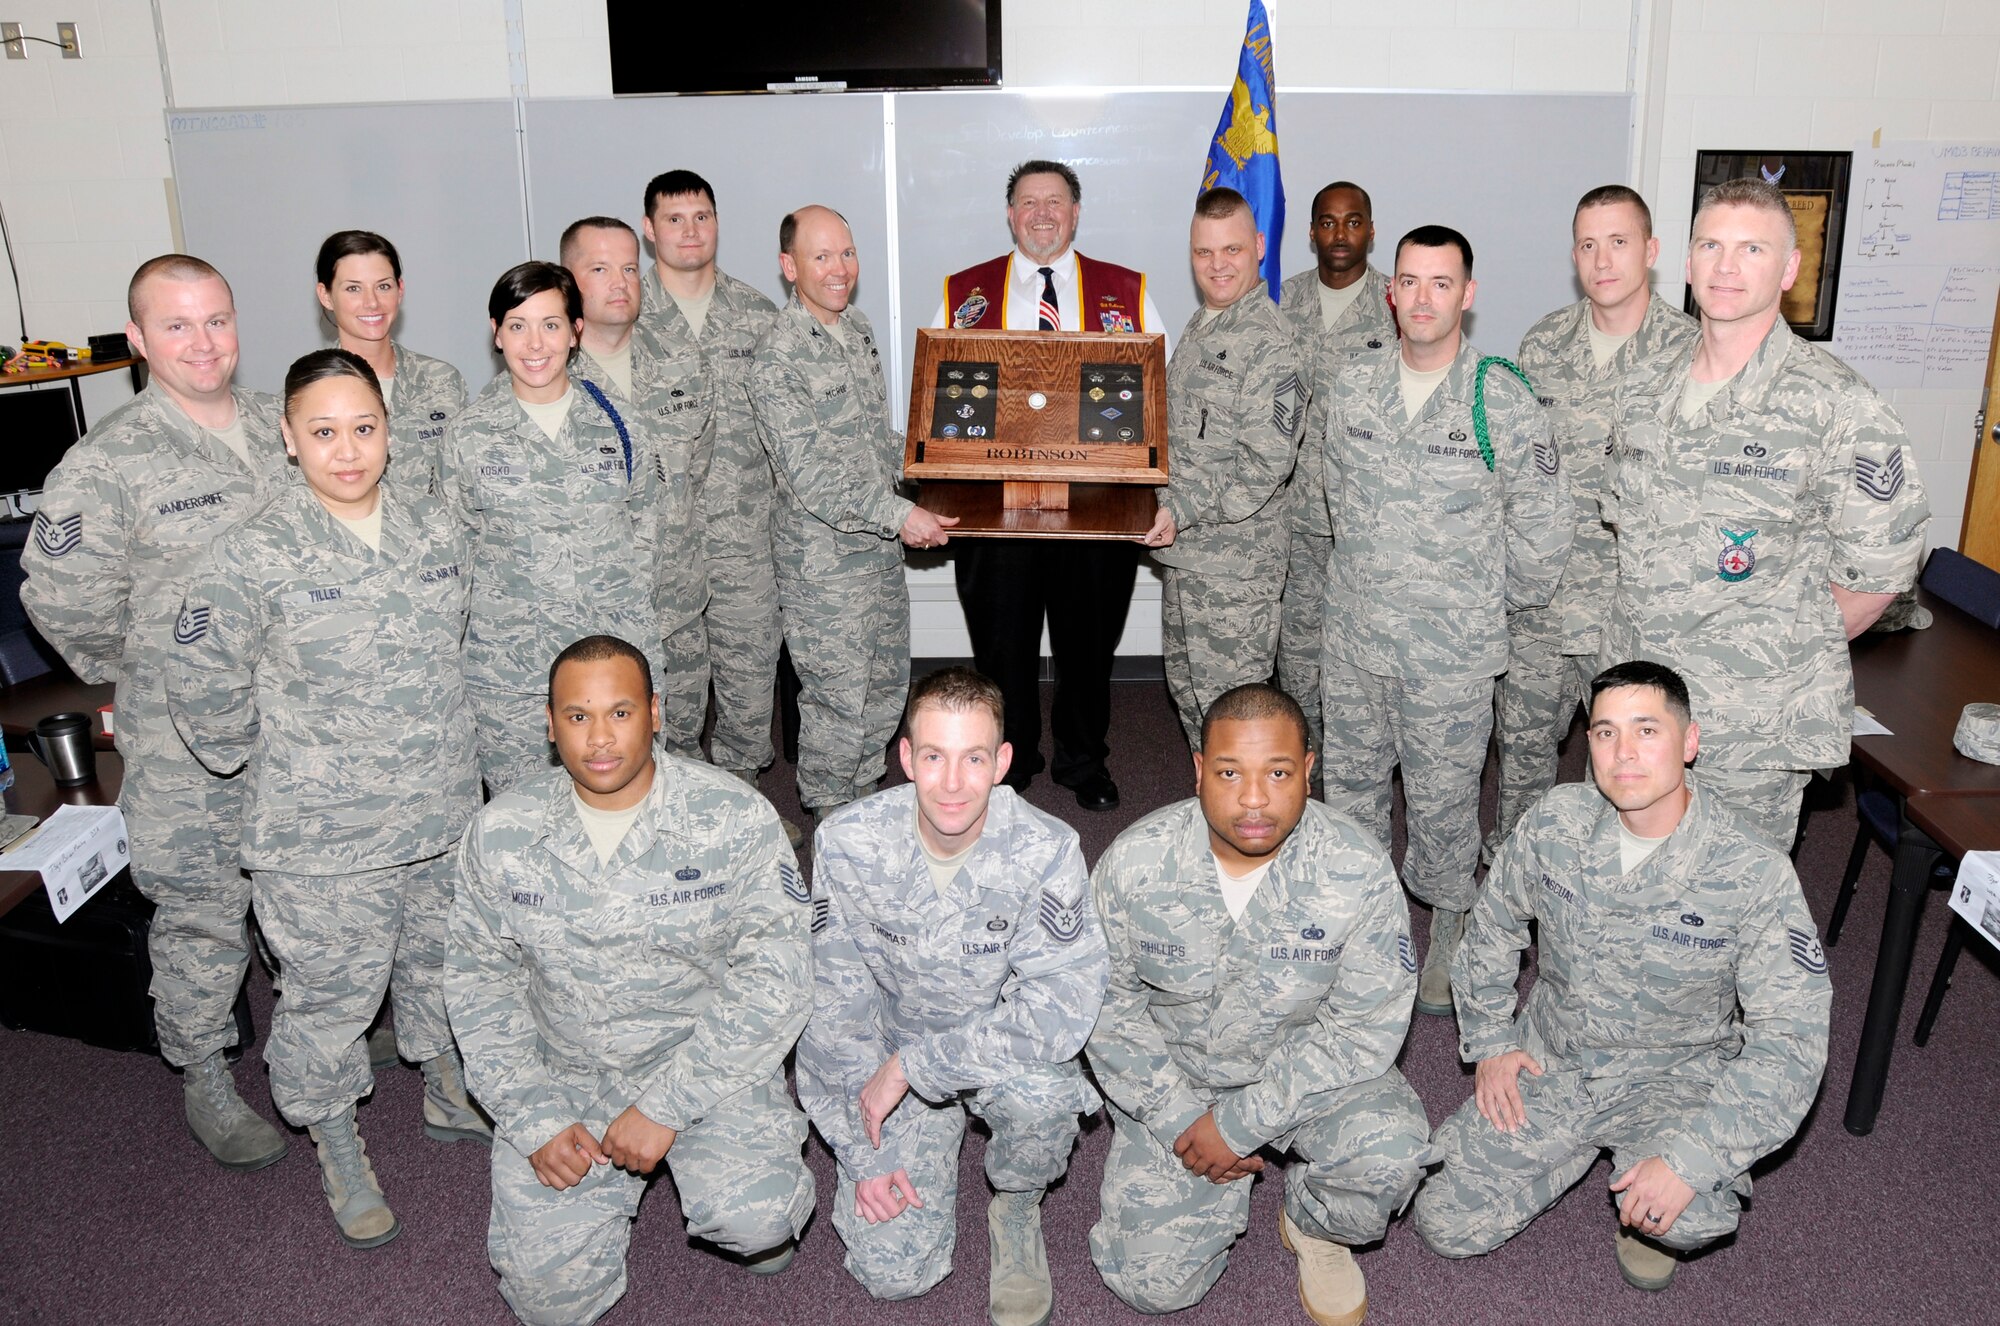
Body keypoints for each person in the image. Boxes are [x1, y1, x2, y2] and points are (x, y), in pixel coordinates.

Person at [166, 349, 487, 1249]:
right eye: (323, 431)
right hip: (322, 839)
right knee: (331, 998)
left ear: (388, 428)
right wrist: (277, 767)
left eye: (364, 428)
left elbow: (463, 650)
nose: (347, 451)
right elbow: (200, 683)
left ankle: (446, 1086)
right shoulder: (252, 554)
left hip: (438, 810)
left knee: (438, 965)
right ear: (288, 436)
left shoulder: (436, 529)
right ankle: (336, 1139)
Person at [1413, 661, 1832, 1292]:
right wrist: (1493, 1039)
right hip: (1554, 1059)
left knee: (1696, 1214)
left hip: (1671, 1080)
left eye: (1647, 730)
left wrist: (1690, 1161)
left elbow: (1793, 1039)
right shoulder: (1557, 822)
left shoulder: (1754, 871)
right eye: (1605, 733)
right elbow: (1492, 926)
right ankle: (1580, 1155)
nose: (1624, 753)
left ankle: (1641, 1189)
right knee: (1441, 1221)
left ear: (1689, 743)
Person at [447, 635, 814, 1326]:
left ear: (655, 713)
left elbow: (778, 978)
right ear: (550, 726)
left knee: (760, 1216)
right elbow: (477, 988)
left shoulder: (731, 817)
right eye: (577, 717)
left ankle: (721, 1183)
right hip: (568, 1077)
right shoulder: (502, 834)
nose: (599, 737)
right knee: (549, 1302)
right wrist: (533, 1118)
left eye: (619, 712)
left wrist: (667, 1106)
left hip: (703, 1064)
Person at [21, 254, 291, 1172]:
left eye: (216, 319)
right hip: (183, 741)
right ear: (136, 340)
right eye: (176, 325)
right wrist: (144, 672)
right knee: (204, 907)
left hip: (298, 716)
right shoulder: (106, 464)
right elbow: (60, 599)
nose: (203, 342)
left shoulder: (278, 423)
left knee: (301, 883)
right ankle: (204, 1075)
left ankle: (313, 1033)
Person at [1602, 177, 1930, 853]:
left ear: (1788, 270)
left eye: (1752, 249)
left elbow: (1877, 575)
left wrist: (1767, 653)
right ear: (1686, 264)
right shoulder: (1642, 384)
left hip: (1744, 726)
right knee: (1617, 888)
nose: (1726, 267)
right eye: (1711, 246)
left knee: (1716, 921)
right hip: (1634, 708)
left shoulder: (1838, 406)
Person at [1087, 683, 1427, 1326]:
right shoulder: (1135, 863)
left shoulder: (1355, 867)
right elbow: (1106, 1009)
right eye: (1228, 772)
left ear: (1308, 769)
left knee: (1388, 1151)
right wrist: (1181, 1117)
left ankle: (1314, 1225)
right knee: (1153, 1286)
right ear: (1197, 770)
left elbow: (1363, 1028)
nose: (1252, 799)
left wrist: (1240, 1124)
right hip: (1178, 1079)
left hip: (1302, 1074)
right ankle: (1208, 1182)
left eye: (1277, 772)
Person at [797, 666, 1108, 1326]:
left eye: (973, 759)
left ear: (1002, 762)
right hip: (884, 1059)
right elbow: (833, 1006)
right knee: (894, 1274)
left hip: (987, 1054)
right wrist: (862, 1151)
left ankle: (1017, 1202)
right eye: (933, 756)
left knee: (1047, 1098)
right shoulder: (848, 844)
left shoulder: (1047, 851)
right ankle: (923, 1135)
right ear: (906, 757)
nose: (952, 783)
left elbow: (1059, 1011)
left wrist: (918, 1067)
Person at [1317, 225, 1571, 1019]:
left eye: (1440, 283)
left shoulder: (1500, 396)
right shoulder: (1354, 386)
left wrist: (1489, 603)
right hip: (1356, 637)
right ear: (1390, 293)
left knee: (1444, 799)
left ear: (1468, 294)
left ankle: (1448, 922)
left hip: (1450, 652)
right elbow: (1336, 495)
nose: (1422, 299)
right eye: (1409, 282)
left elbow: (1544, 521)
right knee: (1352, 793)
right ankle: (1361, 926)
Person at [930, 159, 1167, 811]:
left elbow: (1156, 397)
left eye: (1054, 202)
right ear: (1010, 214)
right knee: (1001, 650)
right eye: (1027, 202)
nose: (1041, 213)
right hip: (994, 508)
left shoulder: (1127, 290)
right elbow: (941, 402)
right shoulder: (962, 292)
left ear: (1076, 212)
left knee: (1087, 648)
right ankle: (1011, 760)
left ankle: (1083, 761)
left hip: (1096, 510)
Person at [1488, 187, 1697, 863]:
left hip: (1628, 611)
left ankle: (1603, 903)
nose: (1601, 259)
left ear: (1651, 251)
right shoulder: (1542, 343)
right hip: (1543, 605)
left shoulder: (1691, 354)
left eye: (1618, 241)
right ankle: (1512, 885)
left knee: (1622, 779)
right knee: (1520, 761)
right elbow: (1518, 472)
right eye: (1586, 244)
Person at [748, 205, 954, 820]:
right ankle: (835, 821)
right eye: (821, 256)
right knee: (838, 701)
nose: (839, 269)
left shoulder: (856, 328)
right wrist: (900, 516)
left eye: (847, 253)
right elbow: (814, 477)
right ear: (789, 267)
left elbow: (873, 442)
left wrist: (935, 464)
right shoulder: (778, 356)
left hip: (877, 556)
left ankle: (863, 805)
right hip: (825, 569)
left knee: (885, 692)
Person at [437, 261, 667, 793]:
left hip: (614, 660)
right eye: (517, 325)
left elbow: (648, 529)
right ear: (496, 333)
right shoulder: (468, 436)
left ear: (576, 331)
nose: (535, 343)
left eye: (551, 324)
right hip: (512, 671)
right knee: (526, 819)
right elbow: (454, 553)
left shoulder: (621, 424)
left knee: (629, 807)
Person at [638, 171, 787, 804]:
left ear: (717, 223)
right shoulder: (622, 319)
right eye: (674, 219)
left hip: (744, 537)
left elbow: (787, 427)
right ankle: (678, 808)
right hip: (661, 544)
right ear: (649, 230)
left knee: (750, 681)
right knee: (669, 688)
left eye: (701, 216)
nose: (689, 231)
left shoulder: (757, 315)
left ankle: (744, 809)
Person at [1147, 187, 1306, 749]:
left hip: (1235, 566)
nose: (1217, 265)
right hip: (1188, 554)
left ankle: (1250, 831)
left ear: (1259, 246)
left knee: (1235, 720)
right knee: (1193, 701)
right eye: (1203, 252)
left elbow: (1263, 465)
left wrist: (1179, 510)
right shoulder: (1205, 325)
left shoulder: (1270, 342)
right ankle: (1211, 817)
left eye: (1231, 250)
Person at [561, 215, 712, 760]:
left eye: (629, 267)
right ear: (567, 279)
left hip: (678, 597)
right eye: (599, 268)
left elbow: (698, 464)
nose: (620, 282)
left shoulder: (679, 361)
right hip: (598, 611)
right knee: (608, 751)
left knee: (685, 736)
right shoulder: (549, 377)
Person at [1276, 181, 1393, 771]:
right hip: (1292, 512)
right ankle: (1302, 762)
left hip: (1367, 519)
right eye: (1327, 222)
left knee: (1360, 650)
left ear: (1371, 230)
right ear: (1312, 232)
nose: (1339, 234)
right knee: (1296, 650)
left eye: (1353, 222)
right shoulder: (1280, 302)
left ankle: (1356, 767)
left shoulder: (1399, 307)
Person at [312, 230, 467, 500]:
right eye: (353, 288)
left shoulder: (443, 382)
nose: (372, 302)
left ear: (400, 290)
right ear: (325, 296)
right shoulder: (311, 393)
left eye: (383, 286)